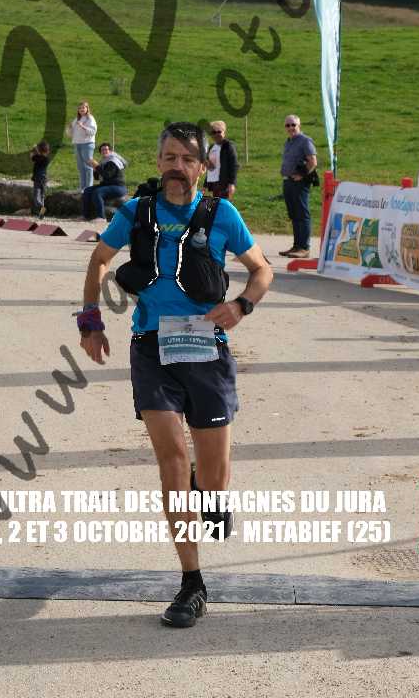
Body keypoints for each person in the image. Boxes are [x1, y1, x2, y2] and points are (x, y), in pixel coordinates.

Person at [78, 121, 272, 629]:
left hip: (207, 352)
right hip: (152, 350)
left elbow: (262, 270)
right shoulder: (136, 212)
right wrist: (90, 319)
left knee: (212, 478)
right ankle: (192, 582)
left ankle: (208, 492)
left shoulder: (222, 214)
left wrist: (242, 306)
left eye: (187, 159)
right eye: (169, 157)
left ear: (203, 167)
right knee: (171, 461)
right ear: (158, 161)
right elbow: (100, 259)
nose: (177, 167)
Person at [279, 114, 317, 258]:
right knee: (294, 214)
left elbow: (313, 161)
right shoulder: (288, 142)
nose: (290, 128)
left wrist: (302, 174)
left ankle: (304, 247)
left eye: (293, 125)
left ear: (299, 125)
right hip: (288, 181)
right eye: (287, 125)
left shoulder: (305, 141)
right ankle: (296, 246)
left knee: (302, 214)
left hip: (299, 183)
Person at [81, 142, 128, 221]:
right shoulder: (103, 161)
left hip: (118, 187)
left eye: (106, 149)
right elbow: (97, 178)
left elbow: (107, 175)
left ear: (110, 151)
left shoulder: (113, 161)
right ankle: (85, 216)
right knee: (87, 191)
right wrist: (94, 168)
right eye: (102, 150)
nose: (104, 151)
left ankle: (101, 217)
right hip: (106, 185)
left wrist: (97, 166)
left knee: (97, 192)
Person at [67, 101, 97, 191]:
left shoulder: (90, 118)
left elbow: (93, 132)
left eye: (83, 107)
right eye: (80, 108)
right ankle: (82, 187)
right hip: (77, 144)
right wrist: (69, 128)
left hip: (87, 144)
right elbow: (70, 134)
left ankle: (89, 187)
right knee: (81, 167)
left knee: (88, 166)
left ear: (87, 108)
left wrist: (83, 126)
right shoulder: (76, 119)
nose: (81, 109)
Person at [205, 121, 238, 201]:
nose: (216, 134)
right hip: (213, 183)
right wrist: (205, 185)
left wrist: (232, 183)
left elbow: (234, 165)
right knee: (216, 204)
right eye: (213, 132)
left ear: (224, 132)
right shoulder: (212, 147)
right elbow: (210, 167)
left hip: (224, 183)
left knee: (222, 204)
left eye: (219, 131)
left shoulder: (228, 146)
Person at [30, 140, 51, 216]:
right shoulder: (47, 159)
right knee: (42, 196)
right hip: (44, 179)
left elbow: (32, 157)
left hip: (38, 179)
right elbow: (39, 157)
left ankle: (42, 207)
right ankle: (41, 214)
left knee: (36, 197)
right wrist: (37, 151)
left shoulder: (38, 157)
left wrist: (34, 150)